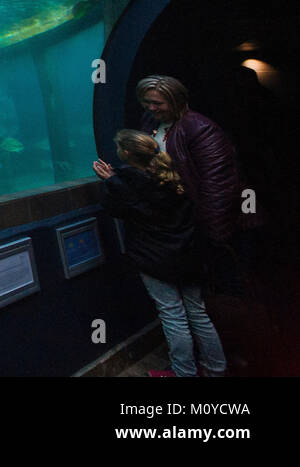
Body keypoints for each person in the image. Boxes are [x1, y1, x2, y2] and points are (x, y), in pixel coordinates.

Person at [95, 130, 227, 377]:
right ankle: (216, 369)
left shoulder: (130, 183)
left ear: (125, 154)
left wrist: (111, 181)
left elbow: (123, 208)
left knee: (173, 315)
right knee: (198, 313)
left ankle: (183, 372)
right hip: (189, 255)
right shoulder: (175, 175)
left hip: (155, 259)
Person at [135, 75, 243, 247]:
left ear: (176, 101)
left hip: (198, 215)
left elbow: (217, 183)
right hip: (174, 216)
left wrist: (213, 231)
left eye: (158, 103)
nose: (151, 108)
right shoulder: (150, 121)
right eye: (147, 102)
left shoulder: (199, 128)